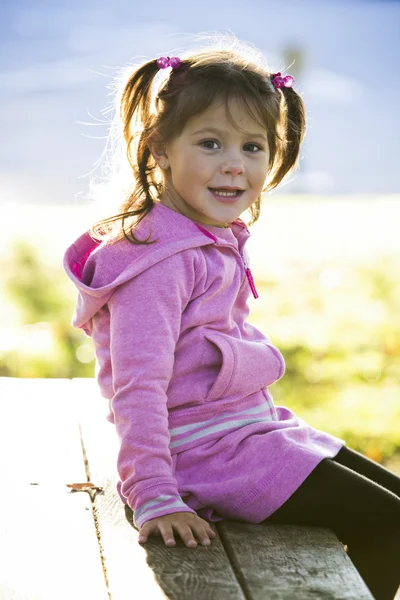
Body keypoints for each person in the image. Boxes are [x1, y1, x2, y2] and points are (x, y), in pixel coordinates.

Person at [63, 34, 400, 600]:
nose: (235, 166)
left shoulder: (205, 236)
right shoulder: (159, 262)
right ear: (159, 148)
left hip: (247, 433)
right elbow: (136, 386)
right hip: (204, 456)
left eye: (253, 147)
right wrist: (153, 493)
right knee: (391, 526)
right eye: (211, 143)